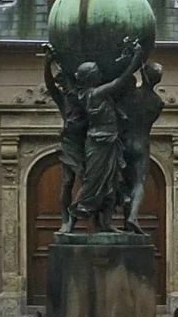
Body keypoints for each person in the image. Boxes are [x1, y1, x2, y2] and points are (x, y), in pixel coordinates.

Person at [71, 36, 146, 230]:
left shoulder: (88, 93)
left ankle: (106, 223)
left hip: (110, 142)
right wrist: (137, 57)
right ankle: (72, 218)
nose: (100, 73)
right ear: (90, 78)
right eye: (96, 72)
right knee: (93, 182)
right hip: (99, 142)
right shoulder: (95, 94)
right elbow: (121, 81)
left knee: (111, 183)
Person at [42, 48, 85, 235]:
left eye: (68, 82)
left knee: (89, 183)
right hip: (70, 143)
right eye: (64, 83)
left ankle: (80, 216)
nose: (66, 86)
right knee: (67, 182)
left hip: (86, 143)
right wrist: (47, 64)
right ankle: (66, 219)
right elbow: (50, 85)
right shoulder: (64, 100)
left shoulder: (85, 98)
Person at [119, 62, 165, 233]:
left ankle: (125, 220)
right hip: (142, 143)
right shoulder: (157, 103)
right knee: (138, 183)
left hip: (124, 142)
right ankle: (132, 217)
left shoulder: (130, 95)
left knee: (125, 182)